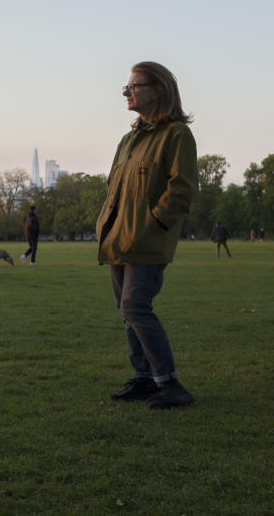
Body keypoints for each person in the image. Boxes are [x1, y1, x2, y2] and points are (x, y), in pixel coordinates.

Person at [96, 61, 196, 409]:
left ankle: (169, 384)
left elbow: (180, 190)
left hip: (146, 241)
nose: (127, 92)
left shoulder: (177, 135)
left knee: (136, 306)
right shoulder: (129, 140)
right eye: (126, 87)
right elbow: (114, 189)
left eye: (133, 87)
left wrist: (152, 223)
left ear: (159, 90)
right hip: (118, 239)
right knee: (127, 312)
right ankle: (145, 379)